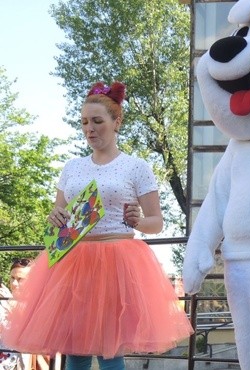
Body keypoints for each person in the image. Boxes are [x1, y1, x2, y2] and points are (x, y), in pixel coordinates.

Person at [3, 82, 193, 370]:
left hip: (116, 264)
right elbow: (60, 213)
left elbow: (156, 223)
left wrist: (138, 221)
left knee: (110, 351)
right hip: (72, 264)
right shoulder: (72, 168)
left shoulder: (136, 167)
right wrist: (55, 217)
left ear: (116, 122)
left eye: (97, 121)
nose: (89, 129)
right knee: (75, 350)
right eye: (84, 122)